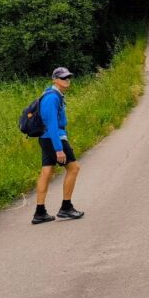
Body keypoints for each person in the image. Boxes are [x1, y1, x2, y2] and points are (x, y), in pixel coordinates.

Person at [32, 67, 85, 225]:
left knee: (46, 172)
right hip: (54, 139)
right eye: (63, 78)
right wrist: (59, 148)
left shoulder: (55, 95)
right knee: (74, 168)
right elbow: (52, 125)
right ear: (55, 80)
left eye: (68, 77)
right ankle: (66, 208)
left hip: (48, 138)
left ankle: (40, 212)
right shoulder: (52, 97)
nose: (66, 80)